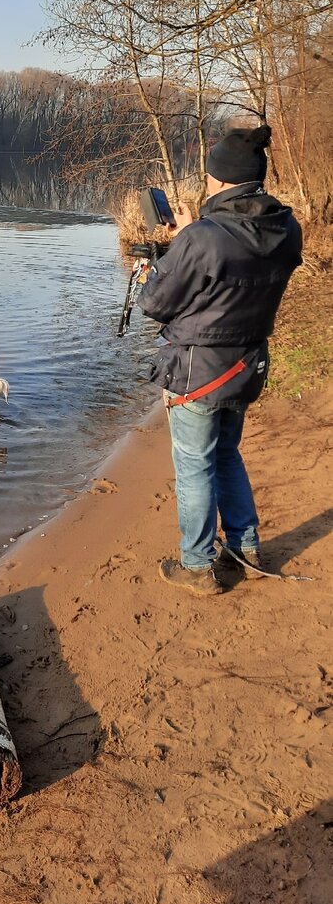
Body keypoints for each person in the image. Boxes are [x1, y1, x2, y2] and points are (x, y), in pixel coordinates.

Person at [138, 125, 302, 596]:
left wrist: (178, 245)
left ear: (222, 180)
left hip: (198, 372)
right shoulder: (286, 228)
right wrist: (193, 233)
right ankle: (246, 547)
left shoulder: (204, 238)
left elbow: (155, 302)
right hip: (248, 365)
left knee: (195, 464)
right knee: (227, 453)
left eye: (210, 176)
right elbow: (236, 269)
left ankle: (196, 564)